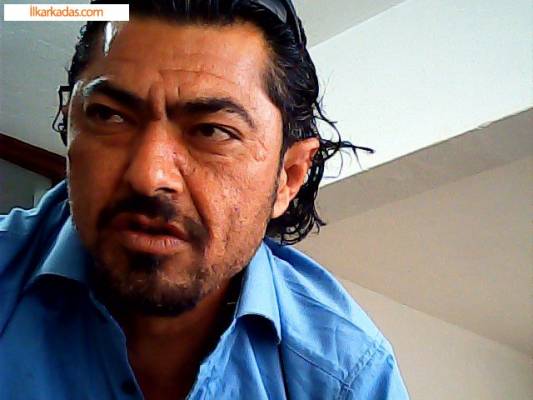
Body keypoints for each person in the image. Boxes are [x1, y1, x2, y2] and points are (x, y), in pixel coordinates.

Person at [0, 1, 409, 399]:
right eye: (110, 115)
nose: (149, 177)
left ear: (289, 176)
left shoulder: (345, 378)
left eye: (212, 131)